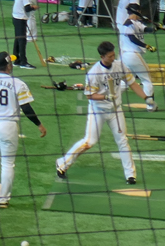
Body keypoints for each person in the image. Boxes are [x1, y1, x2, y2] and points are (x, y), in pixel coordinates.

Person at [55, 42, 148, 184]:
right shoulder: (94, 73)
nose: (113, 58)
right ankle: (62, 163)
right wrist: (105, 97)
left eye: (113, 55)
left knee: (122, 141)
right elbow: (89, 95)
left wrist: (147, 98)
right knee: (89, 142)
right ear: (102, 56)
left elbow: (133, 83)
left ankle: (130, 175)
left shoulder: (120, 66)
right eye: (110, 56)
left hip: (116, 110)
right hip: (98, 110)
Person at [0, 51, 48, 208]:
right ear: (8, 66)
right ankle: (3, 199)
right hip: (8, 125)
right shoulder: (17, 83)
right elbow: (26, 108)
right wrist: (39, 125)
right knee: (7, 163)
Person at [10, 0, 44, 69]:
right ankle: (23, 62)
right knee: (22, 41)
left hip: (16, 17)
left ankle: (16, 60)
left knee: (17, 39)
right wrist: (34, 7)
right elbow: (27, 8)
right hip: (20, 19)